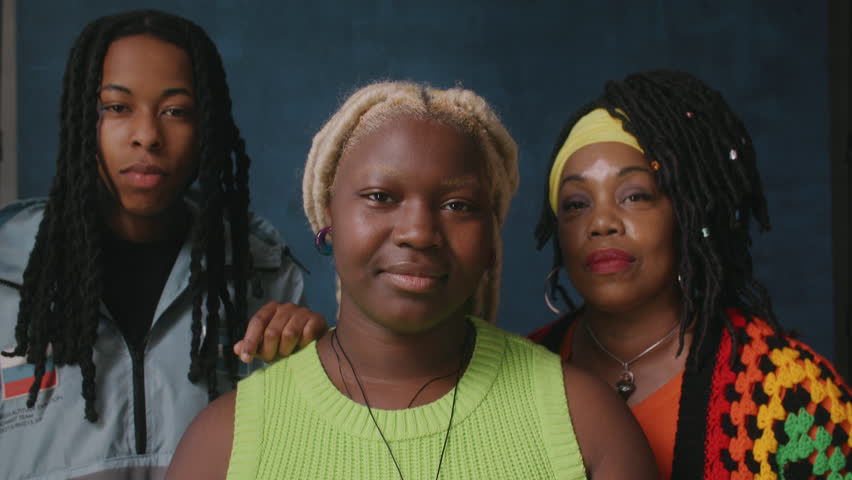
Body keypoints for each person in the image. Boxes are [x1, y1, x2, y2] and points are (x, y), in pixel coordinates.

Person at [168, 82, 659, 479]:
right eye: (380, 196)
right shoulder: (225, 443)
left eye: (458, 206)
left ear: (491, 241)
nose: (419, 233)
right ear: (327, 223)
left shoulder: (585, 422)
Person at [0, 10, 324, 480]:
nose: (147, 135)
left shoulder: (264, 280)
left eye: (176, 111)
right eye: (116, 107)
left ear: (207, 130)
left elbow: (299, 457)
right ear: (80, 119)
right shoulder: (6, 276)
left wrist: (317, 366)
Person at [529, 70, 852, 479]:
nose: (602, 222)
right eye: (576, 203)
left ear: (688, 214)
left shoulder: (792, 394)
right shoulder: (512, 378)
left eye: (635, 196)